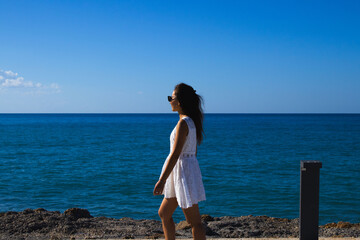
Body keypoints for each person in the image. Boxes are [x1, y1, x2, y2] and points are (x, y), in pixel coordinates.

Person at [153, 83, 206, 240]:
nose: (169, 101)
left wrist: (162, 180)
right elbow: (193, 152)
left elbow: (175, 155)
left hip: (183, 174)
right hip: (182, 172)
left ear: (180, 101)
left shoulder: (184, 123)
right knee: (164, 213)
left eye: (171, 98)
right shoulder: (190, 122)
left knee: (194, 222)